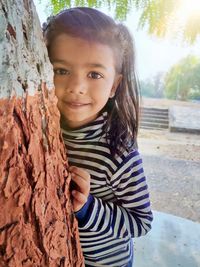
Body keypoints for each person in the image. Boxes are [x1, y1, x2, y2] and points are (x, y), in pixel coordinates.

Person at [43, 7, 153, 267]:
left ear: (114, 85)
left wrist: (88, 208)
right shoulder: (43, 127)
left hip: (106, 263)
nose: (77, 87)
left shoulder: (118, 153)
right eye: (61, 70)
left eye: (94, 74)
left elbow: (142, 222)